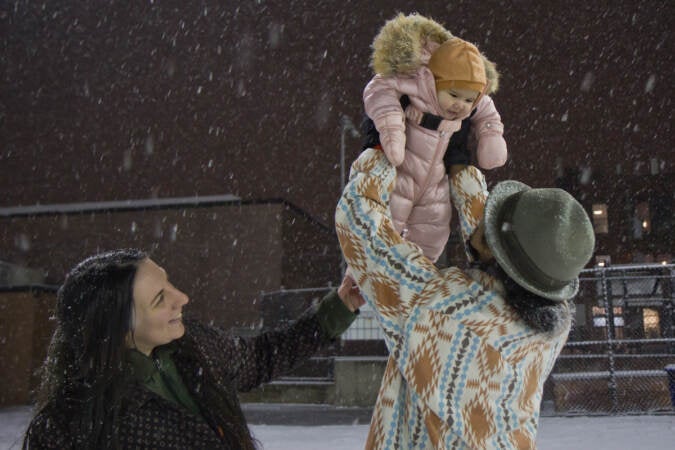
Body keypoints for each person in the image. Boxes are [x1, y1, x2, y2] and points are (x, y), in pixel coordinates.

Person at [336, 148, 595, 449]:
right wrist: (461, 166)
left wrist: (383, 150)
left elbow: (358, 222)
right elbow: (500, 251)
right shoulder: (550, 326)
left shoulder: (446, 316)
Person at [22, 249, 364, 449]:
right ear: (116, 331)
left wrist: (338, 307)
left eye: (168, 283)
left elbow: (260, 357)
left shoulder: (192, 346)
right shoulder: (69, 429)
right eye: (159, 299)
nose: (181, 298)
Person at [361, 13, 507, 262]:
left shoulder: (472, 101)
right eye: (454, 95)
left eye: (468, 99)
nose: (461, 106)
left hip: (435, 178)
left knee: (435, 229)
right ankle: (371, 273)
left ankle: (420, 274)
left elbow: (488, 113)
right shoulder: (417, 83)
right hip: (401, 169)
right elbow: (379, 89)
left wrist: (491, 136)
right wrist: (391, 128)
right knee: (388, 221)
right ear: (434, 81)